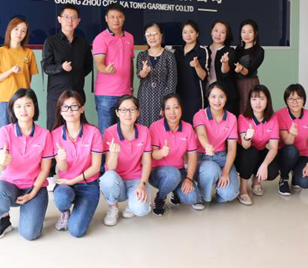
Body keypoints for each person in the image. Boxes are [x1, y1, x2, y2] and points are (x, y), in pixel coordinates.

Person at [0, 88, 53, 240]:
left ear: (35, 106)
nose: (23, 110)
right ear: (12, 109)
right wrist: (1, 161)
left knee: (30, 234)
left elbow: (45, 169)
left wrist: (32, 193)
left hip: (34, 187)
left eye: (28, 105)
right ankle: (3, 221)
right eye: (18, 106)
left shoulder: (45, 134)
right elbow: (0, 164)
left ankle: (34, 211)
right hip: (11, 187)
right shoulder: (5, 131)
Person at [50, 90, 102, 237]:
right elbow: (62, 168)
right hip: (65, 184)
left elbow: (96, 167)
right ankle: (65, 212)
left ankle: (81, 207)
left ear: (82, 109)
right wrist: (61, 159)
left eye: (74, 106)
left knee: (76, 231)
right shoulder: (55, 134)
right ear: (60, 111)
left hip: (88, 185)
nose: (69, 111)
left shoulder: (93, 132)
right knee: (62, 197)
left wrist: (73, 180)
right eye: (65, 107)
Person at [100, 95, 152, 226]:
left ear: (138, 112)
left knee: (141, 210)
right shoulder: (109, 133)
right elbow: (110, 168)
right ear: (117, 113)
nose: (128, 114)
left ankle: (132, 205)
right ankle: (113, 207)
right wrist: (114, 154)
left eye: (132, 109)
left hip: (136, 180)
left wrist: (142, 184)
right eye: (123, 110)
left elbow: (147, 162)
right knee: (107, 178)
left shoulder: (144, 131)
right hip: (117, 181)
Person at [149, 94, 202, 216]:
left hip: (180, 171)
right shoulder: (155, 127)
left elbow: (192, 156)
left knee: (192, 198)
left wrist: (188, 178)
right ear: (163, 111)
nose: (172, 112)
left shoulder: (188, 128)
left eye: (176, 107)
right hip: (157, 173)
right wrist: (161, 153)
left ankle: (175, 190)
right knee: (173, 175)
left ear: (181, 109)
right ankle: (160, 198)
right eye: (168, 108)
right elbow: (152, 154)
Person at [42, 5, 93, 130]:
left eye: (74, 18)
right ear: (59, 19)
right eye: (66, 17)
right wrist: (61, 68)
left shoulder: (83, 43)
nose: (70, 21)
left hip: (77, 93)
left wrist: (77, 75)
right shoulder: (51, 42)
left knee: (76, 129)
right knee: (54, 128)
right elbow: (46, 67)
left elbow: (88, 66)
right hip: (57, 94)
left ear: (78, 21)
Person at [0, 17, 38, 135]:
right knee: (3, 136)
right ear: (9, 30)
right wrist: (11, 71)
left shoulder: (29, 53)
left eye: (23, 31)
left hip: (23, 101)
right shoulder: (0, 52)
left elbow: (28, 79)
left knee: (23, 135)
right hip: (4, 100)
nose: (19, 33)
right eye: (16, 29)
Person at [193, 82, 239, 207]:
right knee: (211, 170)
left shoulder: (232, 118)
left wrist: (225, 172)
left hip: (222, 157)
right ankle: (201, 195)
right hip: (202, 156)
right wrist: (207, 146)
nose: (217, 101)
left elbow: (232, 148)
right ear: (208, 98)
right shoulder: (199, 115)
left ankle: (218, 187)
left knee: (230, 194)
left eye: (221, 96)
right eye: (213, 96)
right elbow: (201, 134)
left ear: (226, 98)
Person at [92, 4, 134, 134]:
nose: (116, 20)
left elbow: (130, 63)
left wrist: (131, 86)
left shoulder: (130, 37)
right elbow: (99, 63)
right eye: (112, 17)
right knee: (106, 133)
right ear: (106, 18)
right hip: (106, 95)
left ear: (124, 18)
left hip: (125, 93)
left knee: (124, 133)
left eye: (119, 17)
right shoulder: (100, 38)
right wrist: (106, 69)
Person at [235, 84, 280, 206]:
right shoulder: (243, 118)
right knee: (251, 152)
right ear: (249, 101)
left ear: (267, 100)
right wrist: (248, 136)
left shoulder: (273, 118)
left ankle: (256, 181)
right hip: (244, 153)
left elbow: (274, 148)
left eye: (261, 99)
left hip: (260, 150)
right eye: (254, 99)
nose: (258, 103)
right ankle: (243, 189)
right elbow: (245, 146)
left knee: (272, 170)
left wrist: (264, 165)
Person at [275, 84, 308, 196]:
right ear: (286, 101)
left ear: (304, 100)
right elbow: (287, 142)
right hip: (286, 153)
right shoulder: (279, 114)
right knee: (291, 150)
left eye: (298, 98)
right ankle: (284, 178)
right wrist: (291, 134)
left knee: (305, 182)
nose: (295, 102)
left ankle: (296, 175)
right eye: (291, 99)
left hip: (303, 154)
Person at [136, 23, 177, 127]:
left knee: (161, 127)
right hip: (144, 97)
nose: (152, 37)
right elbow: (139, 75)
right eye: (148, 35)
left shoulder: (169, 56)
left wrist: (166, 104)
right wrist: (144, 71)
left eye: (155, 34)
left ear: (161, 35)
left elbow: (172, 82)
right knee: (144, 126)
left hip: (162, 97)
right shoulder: (142, 55)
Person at [174, 20, 209, 124]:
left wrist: (197, 66)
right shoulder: (177, 52)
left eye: (191, 32)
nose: (188, 35)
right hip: (179, 95)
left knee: (196, 124)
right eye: (185, 32)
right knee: (180, 125)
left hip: (195, 96)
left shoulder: (202, 51)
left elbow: (203, 76)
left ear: (197, 33)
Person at [205, 20, 238, 115]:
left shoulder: (230, 51)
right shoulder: (204, 50)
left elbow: (225, 72)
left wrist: (224, 62)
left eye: (222, 32)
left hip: (227, 95)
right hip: (208, 94)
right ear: (211, 32)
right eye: (216, 31)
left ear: (226, 35)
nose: (218, 34)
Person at [234, 19, 264, 114]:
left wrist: (241, 69)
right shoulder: (238, 49)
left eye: (250, 32)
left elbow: (249, 71)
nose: (246, 35)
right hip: (235, 84)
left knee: (249, 110)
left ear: (255, 33)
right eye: (243, 32)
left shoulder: (259, 51)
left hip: (250, 83)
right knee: (237, 110)